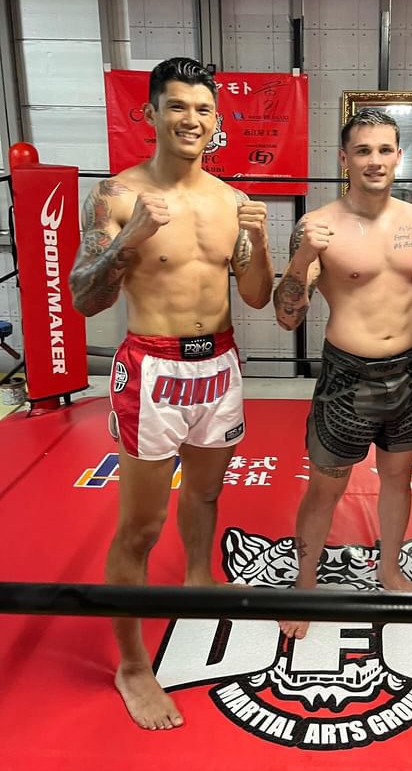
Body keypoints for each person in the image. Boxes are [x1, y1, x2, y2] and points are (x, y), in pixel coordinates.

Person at [69, 57, 274, 731]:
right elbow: (85, 298)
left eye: (203, 109)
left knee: (206, 495)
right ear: (152, 114)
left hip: (219, 364)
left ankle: (199, 579)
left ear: (216, 121)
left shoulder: (228, 200)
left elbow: (255, 296)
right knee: (140, 526)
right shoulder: (116, 196)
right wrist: (129, 238)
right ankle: (132, 666)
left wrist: (259, 240)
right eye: (178, 106)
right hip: (152, 370)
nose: (192, 119)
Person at [273, 108, 412, 639]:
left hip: (409, 371)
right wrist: (304, 255)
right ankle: (304, 585)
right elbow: (287, 316)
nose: (374, 160)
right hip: (347, 376)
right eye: (362, 151)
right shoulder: (319, 225)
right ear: (344, 158)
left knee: (398, 478)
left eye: (383, 150)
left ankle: (390, 568)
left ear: (398, 155)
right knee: (325, 488)